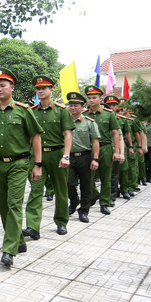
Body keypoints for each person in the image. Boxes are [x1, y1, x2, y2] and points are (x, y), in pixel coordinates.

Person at [0, 68, 43, 267]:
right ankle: (19, 241)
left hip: (19, 163)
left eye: (3, 85)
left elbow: (35, 137)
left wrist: (38, 164)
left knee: (14, 204)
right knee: (4, 206)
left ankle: (9, 250)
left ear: (12, 87)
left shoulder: (24, 111)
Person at [24, 75, 74, 238]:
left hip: (57, 154)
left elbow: (67, 134)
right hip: (37, 157)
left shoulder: (61, 111)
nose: (40, 91)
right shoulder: (31, 112)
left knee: (61, 189)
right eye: (38, 88)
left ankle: (61, 221)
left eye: (44, 88)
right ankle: (32, 226)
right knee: (36, 190)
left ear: (51, 90)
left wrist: (66, 155)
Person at [84, 86, 122, 215]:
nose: (91, 100)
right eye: (89, 98)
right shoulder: (84, 115)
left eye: (94, 98)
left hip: (105, 147)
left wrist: (116, 151)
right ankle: (94, 194)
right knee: (88, 177)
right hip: (88, 149)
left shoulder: (108, 114)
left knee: (106, 176)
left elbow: (116, 133)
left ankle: (104, 203)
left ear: (100, 99)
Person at [65, 92, 100, 222]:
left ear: (82, 107)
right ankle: (74, 202)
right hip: (69, 157)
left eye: (75, 105)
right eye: (71, 105)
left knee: (87, 186)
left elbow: (95, 141)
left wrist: (95, 159)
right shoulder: (64, 122)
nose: (72, 107)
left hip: (85, 157)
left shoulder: (89, 123)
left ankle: (84, 211)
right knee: (68, 183)